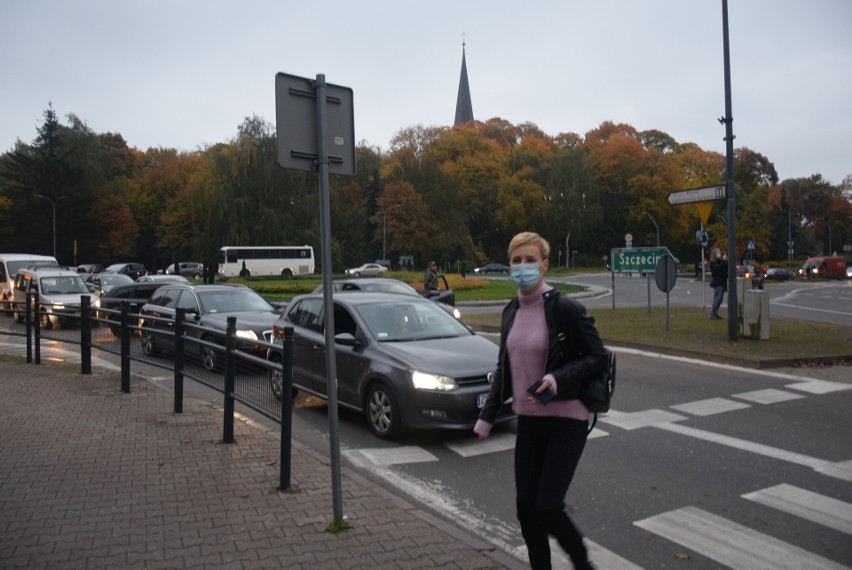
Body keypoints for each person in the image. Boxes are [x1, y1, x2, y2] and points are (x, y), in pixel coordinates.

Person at [474, 231, 607, 570]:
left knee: (547, 506)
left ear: (544, 264)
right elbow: (504, 369)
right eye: (516, 260)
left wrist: (556, 378)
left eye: (530, 260)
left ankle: (583, 565)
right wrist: (487, 416)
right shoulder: (510, 311)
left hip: (567, 420)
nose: (523, 267)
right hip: (529, 421)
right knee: (525, 507)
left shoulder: (565, 307)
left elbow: (597, 357)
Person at [709, 248, 728, 320]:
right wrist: (723, 261)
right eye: (717, 253)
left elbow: (724, 268)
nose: (719, 254)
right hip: (717, 282)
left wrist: (725, 261)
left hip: (722, 282)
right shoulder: (712, 263)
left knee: (720, 299)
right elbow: (718, 268)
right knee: (717, 298)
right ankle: (713, 314)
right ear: (714, 254)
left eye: (719, 252)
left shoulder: (719, 261)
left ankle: (715, 313)